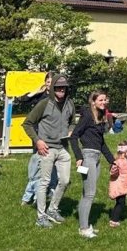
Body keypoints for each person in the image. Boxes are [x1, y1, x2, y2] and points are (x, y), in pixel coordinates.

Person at [22, 75, 77, 229]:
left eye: (64, 87)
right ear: (53, 88)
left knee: (65, 181)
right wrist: (38, 141)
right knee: (44, 182)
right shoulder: (44, 103)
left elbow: (73, 121)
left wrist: (71, 130)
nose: (61, 90)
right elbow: (27, 123)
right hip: (47, 149)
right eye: (58, 87)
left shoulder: (70, 103)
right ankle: (41, 217)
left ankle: (52, 209)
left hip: (63, 148)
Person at [72, 90, 117, 238]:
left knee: (87, 193)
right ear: (93, 102)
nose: (104, 102)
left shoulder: (100, 116)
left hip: (96, 158)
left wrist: (112, 161)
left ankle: (85, 224)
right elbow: (74, 136)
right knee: (90, 194)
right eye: (100, 100)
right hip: (87, 158)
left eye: (105, 100)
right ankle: (83, 228)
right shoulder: (87, 116)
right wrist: (78, 157)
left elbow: (101, 143)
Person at [18, 74, 56, 206]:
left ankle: (44, 194)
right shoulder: (40, 96)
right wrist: (36, 91)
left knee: (50, 165)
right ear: (45, 82)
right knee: (37, 164)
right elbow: (23, 99)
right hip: (37, 133)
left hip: (51, 134)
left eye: (52, 82)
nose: (50, 84)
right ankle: (31, 195)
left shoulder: (57, 97)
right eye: (48, 82)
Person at [108, 141, 127, 227]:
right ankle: (114, 220)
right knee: (121, 203)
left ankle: (113, 217)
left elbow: (126, 169)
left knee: (120, 202)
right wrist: (114, 168)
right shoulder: (119, 161)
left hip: (123, 185)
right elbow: (113, 172)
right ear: (124, 152)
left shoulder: (124, 160)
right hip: (120, 186)